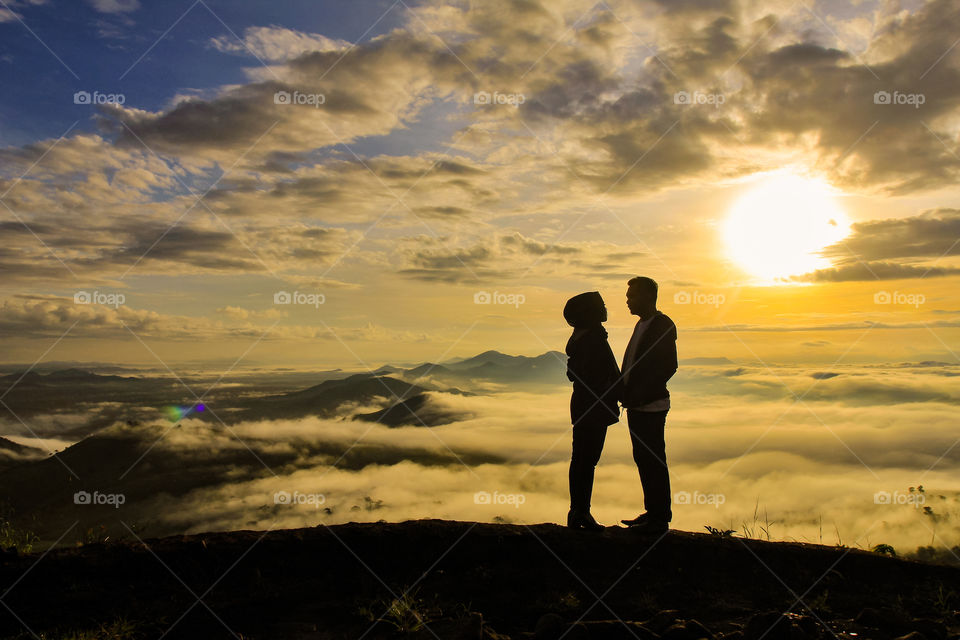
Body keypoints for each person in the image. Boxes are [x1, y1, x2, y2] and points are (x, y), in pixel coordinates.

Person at [619, 277, 678, 534]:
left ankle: (659, 517)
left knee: (652, 458)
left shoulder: (662, 325)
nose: (628, 300)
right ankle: (653, 512)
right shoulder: (642, 324)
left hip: (651, 405)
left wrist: (641, 393)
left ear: (647, 297)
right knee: (644, 458)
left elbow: (668, 366)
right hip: (638, 404)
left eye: (632, 295)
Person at [563, 291, 622, 531]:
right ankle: (580, 512)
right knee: (586, 460)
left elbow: (575, 373)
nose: (606, 308)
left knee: (582, 459)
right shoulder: (592, 339)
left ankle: (578, 511)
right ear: (589, 312)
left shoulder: (584, 338)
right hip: (592, 407)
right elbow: (596, 375)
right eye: (601, 305)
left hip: (585, 406)